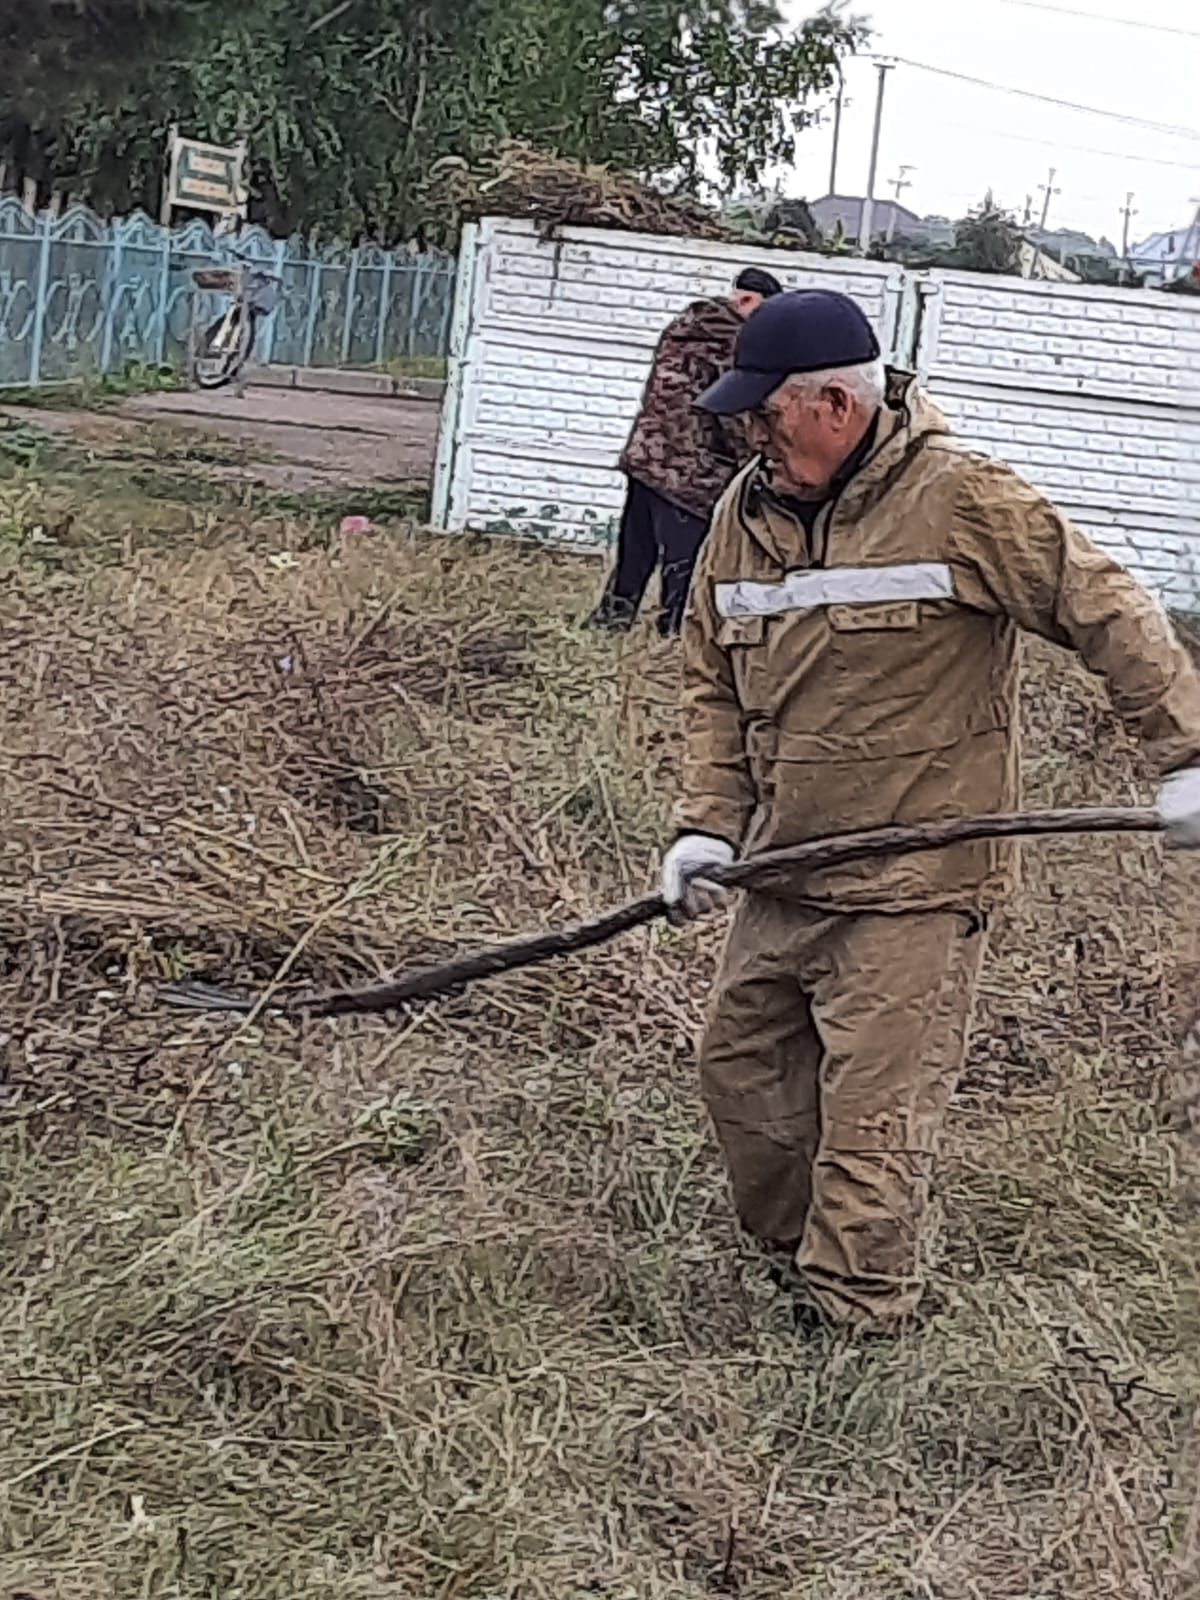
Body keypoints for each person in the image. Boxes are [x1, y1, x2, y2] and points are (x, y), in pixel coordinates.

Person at [660, 287, 1200, 1336]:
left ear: (833, 405)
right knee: (741, 1081)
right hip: (783, 869)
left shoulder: (962, 500)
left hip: (917, 883)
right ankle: (788, 1268)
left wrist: (1188, 752)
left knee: (871, 1124)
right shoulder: (747, 514)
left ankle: (858, 1326)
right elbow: (708, 679)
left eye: (766, 414)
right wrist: (706, 821)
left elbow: (1104, 604)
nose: (751, 436)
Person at [586, 267, 783, 637]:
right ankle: (673, 633)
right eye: (760, 311)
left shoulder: (684, 324)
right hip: (690, 469)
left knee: (636, 549)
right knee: (683, 560)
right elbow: (730, 411)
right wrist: (754, 461)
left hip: (647, 454)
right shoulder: (732, 340)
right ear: (744, 301)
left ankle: (611, 622)